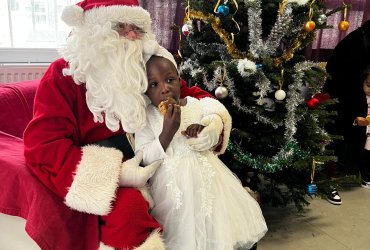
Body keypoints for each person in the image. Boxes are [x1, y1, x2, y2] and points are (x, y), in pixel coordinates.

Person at [23, 0, 222, 249]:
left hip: (158, 157)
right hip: (109, 169)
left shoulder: (146, 66)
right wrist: (117, 174)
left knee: (204, 183)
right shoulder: (65, 74)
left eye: (136, 26)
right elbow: (43, 147)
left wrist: (213, 121)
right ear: (94, 32)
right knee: (129, 211)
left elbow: (190, 95)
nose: (130, 34)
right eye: (119, 26)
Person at [134, 53, 268, 250]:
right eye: (154, 85)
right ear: (146, 92)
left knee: (216, 230)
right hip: (173, 194)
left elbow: (211, 130)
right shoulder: (145, 117)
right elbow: (143, 157)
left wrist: (205, 129)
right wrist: (166, 134)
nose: (164, 88)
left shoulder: (195, 105)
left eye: (170, 80)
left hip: (211, 185)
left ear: (180, 82)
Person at [323, 19, 370, 205]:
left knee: (358, 134)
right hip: (338, 94)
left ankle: (363, 173)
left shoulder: (364, 40)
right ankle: (330, 182)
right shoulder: (354, 42)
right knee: (336, 138)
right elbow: (332, 70)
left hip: (355, 92)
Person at [352, 66, 370, 189]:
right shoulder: (357, 99)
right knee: (362, 155)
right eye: (368, 85)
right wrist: (356, 120)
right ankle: (365, 177)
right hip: (362, 134)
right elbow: (350, 114)